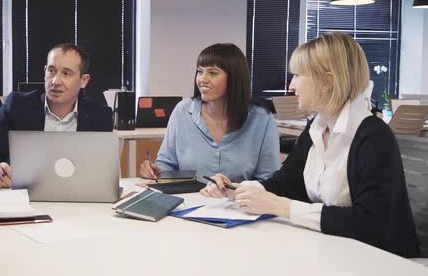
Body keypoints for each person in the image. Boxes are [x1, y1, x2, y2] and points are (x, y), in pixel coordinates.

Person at [201, 32, 419, 258]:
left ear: (326, 81)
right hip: (334, 252)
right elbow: (285, 184)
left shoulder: (373, 136)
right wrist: (237, 190)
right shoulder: (317, 128)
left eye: (297, 75)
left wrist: (282, 207)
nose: (291, 85)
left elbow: (372, 223)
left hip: (381, 262)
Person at [139, 43, 280, 183]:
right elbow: (167, 164)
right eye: (200, 71)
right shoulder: (182, 111)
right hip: (190, 202)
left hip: (238, 204)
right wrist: (156, 171)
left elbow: (268, 181)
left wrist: (233, 192)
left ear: (234, 78)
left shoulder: (262, 119)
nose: (202, 79)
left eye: (212, 73)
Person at [0, 43, 113, 187]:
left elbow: (103, 167)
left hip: (77, 195)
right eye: (52, 71)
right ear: (45, 71)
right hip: (22, 195)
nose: (55, 81)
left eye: (66, 73)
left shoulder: (100, 116)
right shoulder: (17, 105)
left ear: (83, 80)